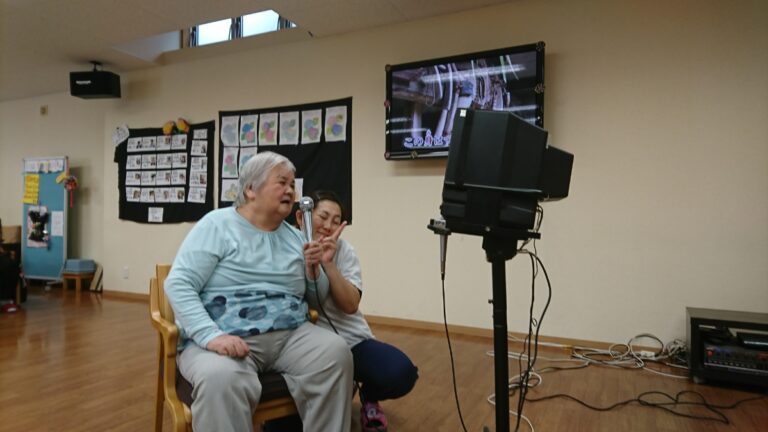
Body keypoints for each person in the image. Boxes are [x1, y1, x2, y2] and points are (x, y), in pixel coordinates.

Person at [164, 152, 353, 432]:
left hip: (289, 336)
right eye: (282, 183)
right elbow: (178, 283)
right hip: (225, 334)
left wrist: (315, 270)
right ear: (251, 189)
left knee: (335, 353)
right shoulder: (216, 225)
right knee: (220, 377)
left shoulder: (295, 237)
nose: (291, 190)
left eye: (293, 184)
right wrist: (210, 335)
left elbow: (315, 299)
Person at [272, 190, 418, 432]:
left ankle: (368, 396)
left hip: (350, 340)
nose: (329, 226)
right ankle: (337, 386)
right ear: (301, 217)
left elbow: (350, 305)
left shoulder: (345, 251)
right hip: (300, 347)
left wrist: (328, 263)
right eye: (323, 217)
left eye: (336, 220)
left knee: (401, 373)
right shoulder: (283, 248)